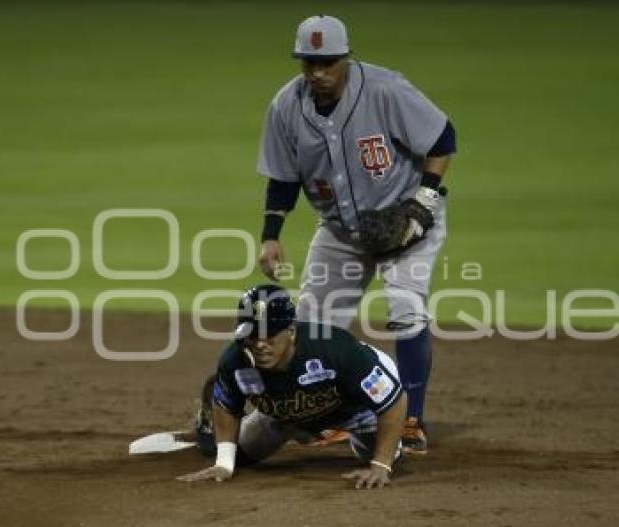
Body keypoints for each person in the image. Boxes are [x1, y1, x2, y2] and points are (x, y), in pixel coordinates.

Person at [255, 15, 457, 454]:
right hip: (341, 229)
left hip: (406, 221)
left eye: (327, 63)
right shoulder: (286, 107)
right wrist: (271, 234)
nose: (317, 73)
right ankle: (322, 417)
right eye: (309, 63)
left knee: (406, 307)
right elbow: (283, 177)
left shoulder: (385, 90)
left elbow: (443, 138)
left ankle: (410, 421)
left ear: (345, 57)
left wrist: (424, 201)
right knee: (310, 326)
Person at [177, 284, 406, 489]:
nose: (260, 345)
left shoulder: (334, 349)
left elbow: (394, 402)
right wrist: (224, 464)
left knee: (382, 456)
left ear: (292, 331)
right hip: (284, 414)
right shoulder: (236, 361)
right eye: (252, 335)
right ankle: (208, 424)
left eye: (269, 336)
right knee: (233, 455)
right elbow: (227, 406)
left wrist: (381, 464)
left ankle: (328, 431)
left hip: (357, 410)